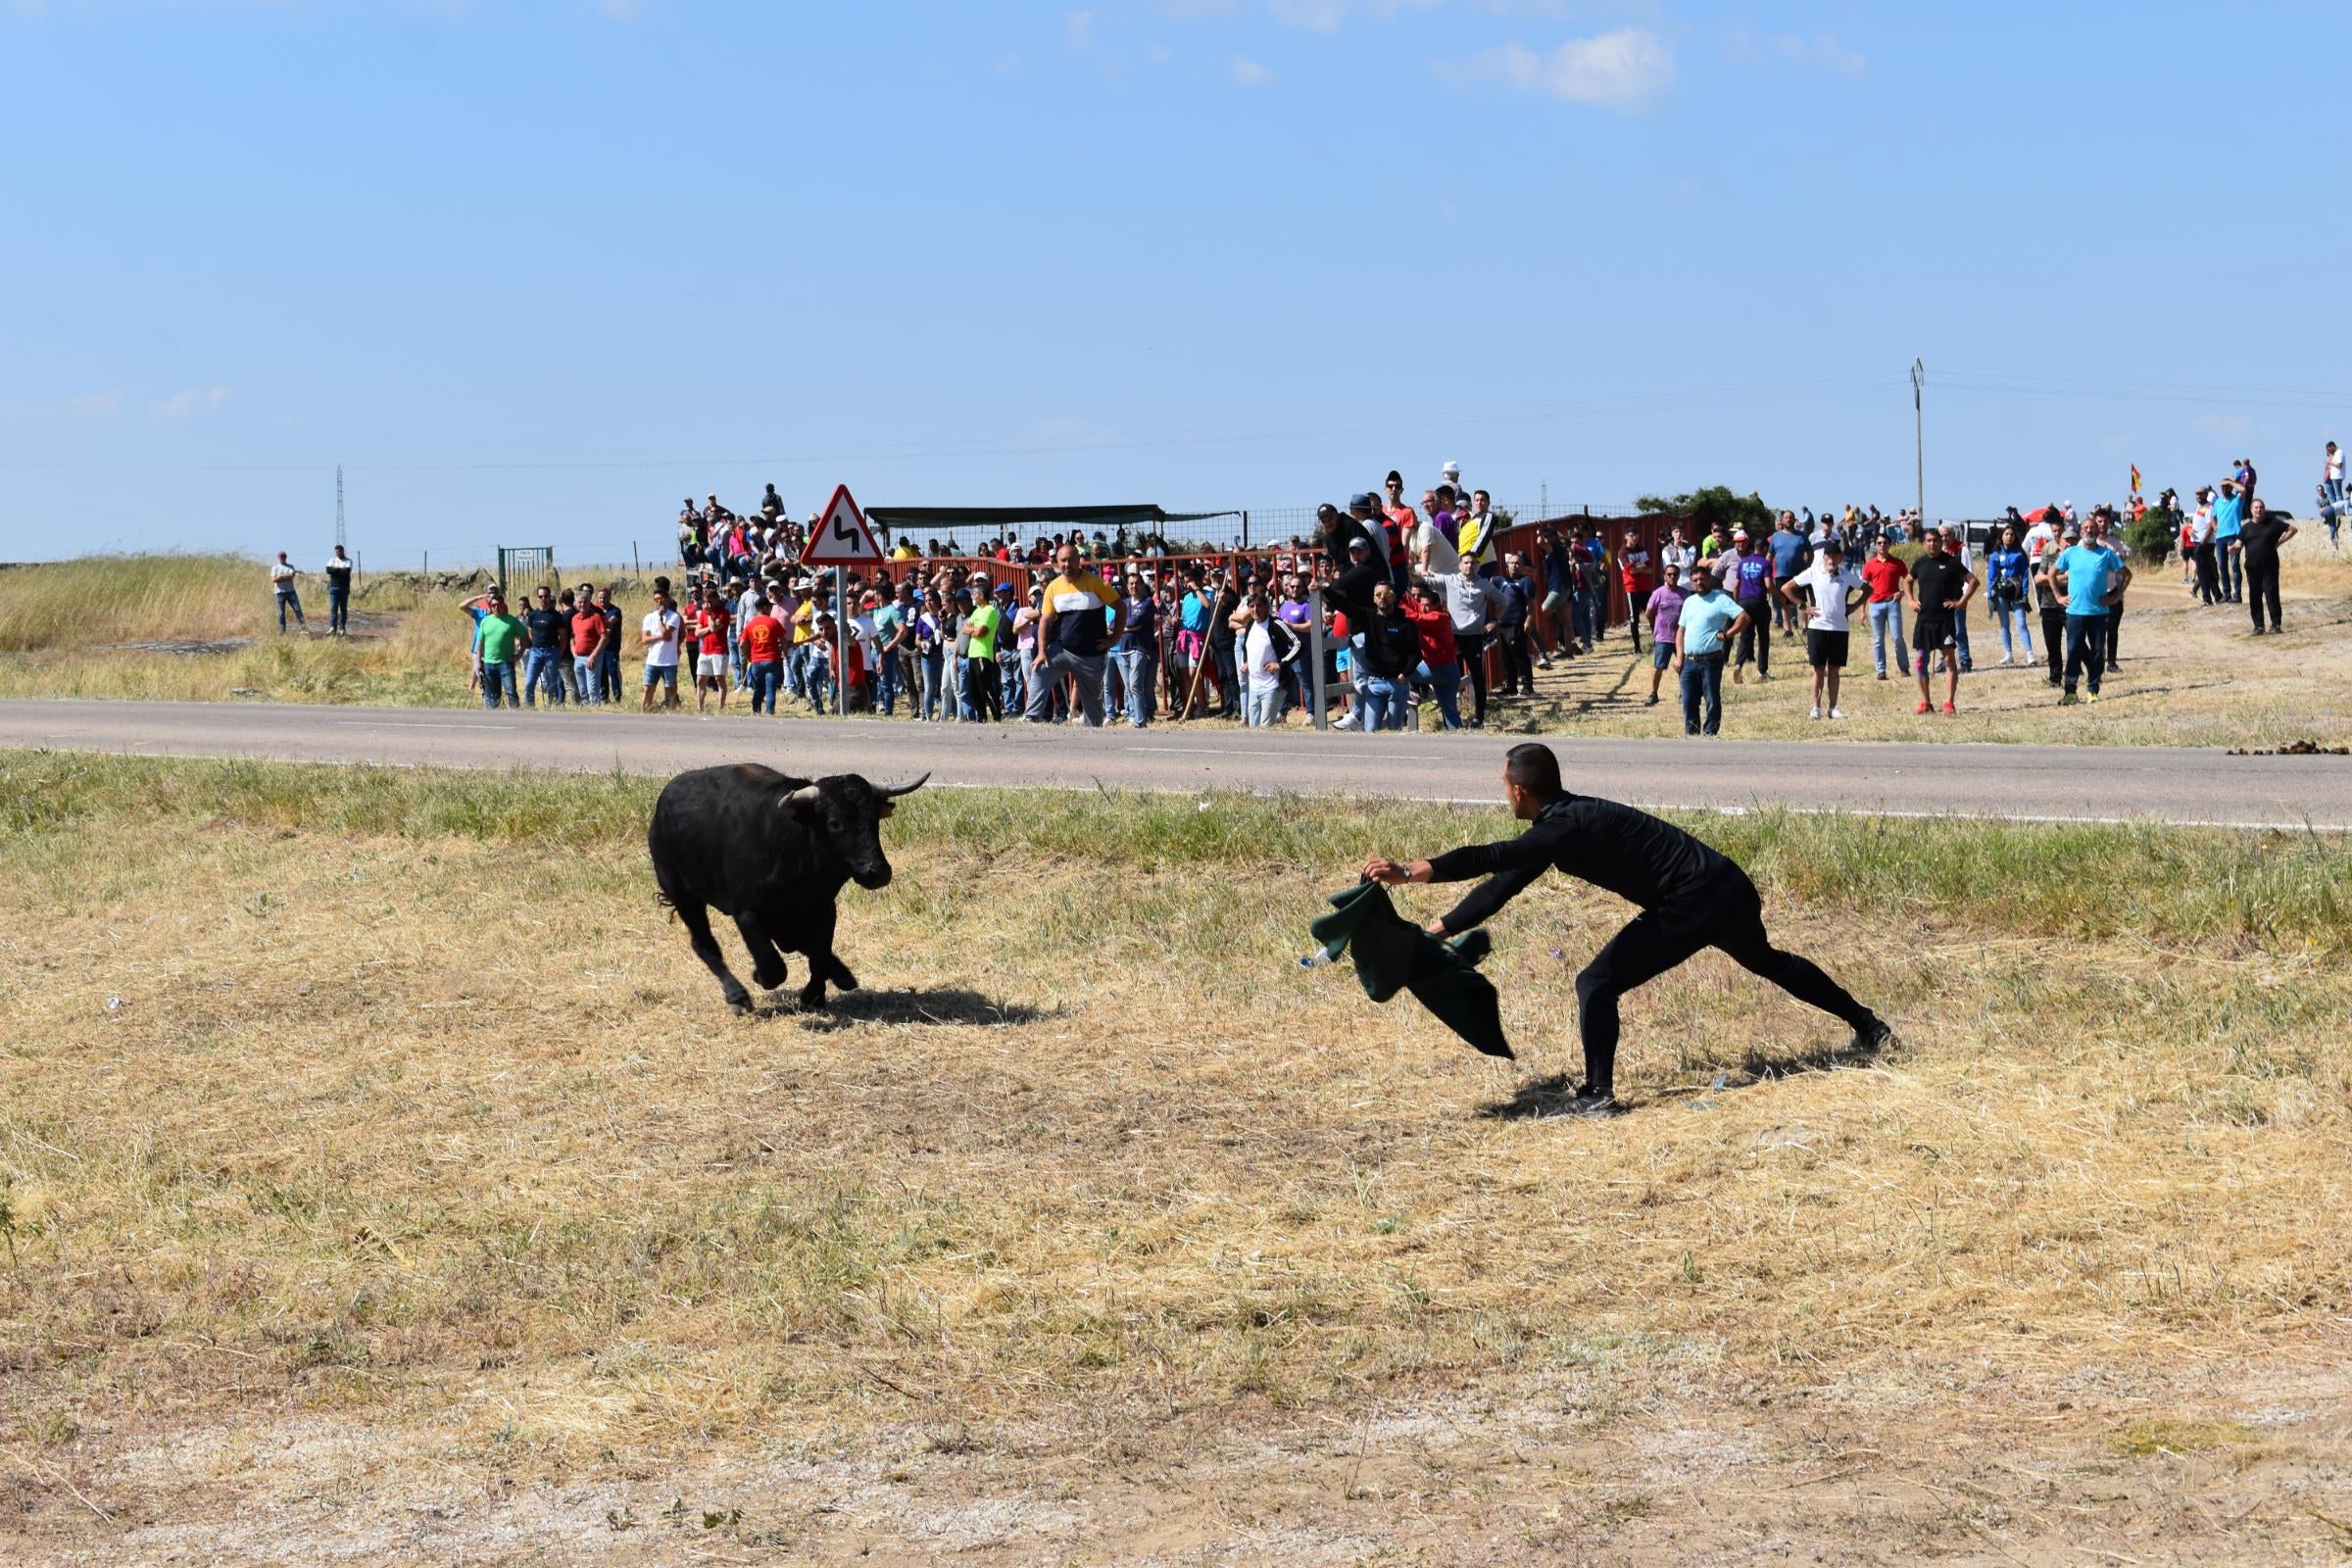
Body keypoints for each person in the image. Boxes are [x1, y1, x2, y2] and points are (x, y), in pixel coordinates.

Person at [1361, 743, 1892, 1118]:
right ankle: (1868, 1024)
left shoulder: (1564, 825)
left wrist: (1410, 872)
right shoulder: (1562, 824)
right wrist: (1434, 932)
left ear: (1519, 791)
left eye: (1504, 786)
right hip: (1726, 884)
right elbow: (1501, 885)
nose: (1505, 794)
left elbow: (1493, 856)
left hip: (1693, 899)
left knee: (1596, 983)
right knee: (1769, 963)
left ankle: (1598, 1094)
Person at [1031, 543, 1124, 726]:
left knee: (1093, 706)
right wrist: (1042, 651)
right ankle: (1030, 717)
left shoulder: (1096, 582)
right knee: (1039, 670)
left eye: (1071, 560)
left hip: (1091, 654)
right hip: (1062, 650)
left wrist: (1114, 639)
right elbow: (1045, 621)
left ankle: (1093, 732)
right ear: (1057, 563)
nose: (1067, 564)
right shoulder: (1053, 587)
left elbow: (1121, 608)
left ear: (1078, 561)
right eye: (1063, 561)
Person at [1780, 537, 1864, 720]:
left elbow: (1868, 589)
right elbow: (1786, 588)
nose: (1831, 559)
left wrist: (1855, 606)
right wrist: (1802, 605)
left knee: (1834, 669)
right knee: (1818, 669)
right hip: (1818, 627)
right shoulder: (1813, 572)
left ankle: (1833, 707)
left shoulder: (1846, 575)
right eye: (1828, 556)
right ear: (1823, 557)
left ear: (1840, 558)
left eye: (1835, 555)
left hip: (1840, 628)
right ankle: (1815, 707)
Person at [2050, 520, 2123, 703]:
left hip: (2099, 613)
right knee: (2074, 651)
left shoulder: (2106, 554)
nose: (2089, 530)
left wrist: (2115, 596)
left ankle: (2093, 690)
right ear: (2081, 531)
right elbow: (2052, 573)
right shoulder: (2071, 553)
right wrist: (2058, 597)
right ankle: (2070, 692)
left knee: (2098, 652)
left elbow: (2126, 574)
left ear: (2098, 530)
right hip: (2075, 612)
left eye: (2092, 528)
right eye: (2086, 528)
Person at [1904, 526, 1975, 714]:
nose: (1932, 543)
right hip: (1924, 620)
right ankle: (1925, 702)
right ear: (1924, 543)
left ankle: (1949, 703)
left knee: (1949, 660)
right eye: (1928, 540)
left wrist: (1961, 602)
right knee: (1920, 661)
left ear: (1940, 542)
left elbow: (1973, 581)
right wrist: (1910, 600)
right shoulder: (1920, 563)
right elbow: (1907, 581)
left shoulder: (1951, 562)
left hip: (1945, 621)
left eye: (1935, 540)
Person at [1673, 564, 1745, 737]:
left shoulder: (1720, 599)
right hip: (1689, 661)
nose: (1699, 583)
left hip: (1710, 660)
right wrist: (1679, 657)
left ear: (1710, 580)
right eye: (1695, 580)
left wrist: (1727, 634)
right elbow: (1680, 631)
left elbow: (1744, 617)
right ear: (1691, 583)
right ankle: (1692, 733)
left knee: (1712, 699)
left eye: (1702, 579)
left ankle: (1710, 733)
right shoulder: (1689, 602)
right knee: (1688, 700)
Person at [1401, 578, 1464, 730]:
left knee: (1398, 671)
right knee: (1450, 714)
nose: (1423, 608)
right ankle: (1460, 740)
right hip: (1449, 671)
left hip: (1438, 670)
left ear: (1438, 605)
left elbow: (1416, 616)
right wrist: (1400, 594)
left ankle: (1409, 695)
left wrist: (1398, 606)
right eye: (1422, 605)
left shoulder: (1438, 617)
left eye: (1427, 606)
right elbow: (1415, 606)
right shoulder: (1433, 613)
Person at [1719, 529, 1773, 684]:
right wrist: (1779, 596)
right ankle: (1762, 671)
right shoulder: (1765, 563)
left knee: (1746, 636)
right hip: (1759, 601)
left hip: (1744, 602)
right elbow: (1768, 584)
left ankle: (1738, 665)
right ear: (1764, 549)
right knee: (1763, 637)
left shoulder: (1743, 563)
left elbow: (1736, 586)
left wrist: (1737, 604)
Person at [2238, 499, 2297, 635]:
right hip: (2252, 567)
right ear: (2251, 510)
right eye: (2256, 507)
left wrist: (2280, 542)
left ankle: (2276, 625)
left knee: (2271, 595)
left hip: (2269, 566)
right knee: (2255, 596)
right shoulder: (2246, 528)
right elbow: (2238, 544)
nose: (2259, 510)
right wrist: (2232, 548)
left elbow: (2292, 529)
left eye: (2261, 507)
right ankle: (2258, 626)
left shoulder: (2273, 522)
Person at [1859, 533, 1910, 680]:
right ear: (1875, 545)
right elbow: (1865, 588)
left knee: (1897, 637)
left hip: (1892, 604)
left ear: (1889, 544)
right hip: (1875, 605)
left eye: (1885, 542)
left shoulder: (1898, 563)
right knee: (1878, 639)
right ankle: (1881, 671)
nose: (1882, 545)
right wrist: (1862, 610)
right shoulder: (1869, 565)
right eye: (1879, 543)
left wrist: (1901, 593)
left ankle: (1904, 668)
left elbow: (1909, 581)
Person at [1983, 522, 2033, 665]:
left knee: (2021, 623)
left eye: (2012, 534)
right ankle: (2008, 654)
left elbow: (2025, 575)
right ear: (2002, 536)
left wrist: (2025, 594)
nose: (2009, 537)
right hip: (2001, 591)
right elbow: (1991, 576)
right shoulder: (1995, 555)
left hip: (2016, 591)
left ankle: (2030, 654)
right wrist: (1990, 594)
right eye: (2006, 534)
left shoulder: (2019, 554)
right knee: (2004, 624)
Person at [1114, 569, 1158, 729]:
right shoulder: (1124, 603)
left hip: (1139, 649)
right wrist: (1126, 627)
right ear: (1127, 587)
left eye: (1137, 583)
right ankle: (1134, 715)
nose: (1134, 586)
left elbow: (1135, 621)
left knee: (1135, 685)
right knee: (1128, 685)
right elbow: (1114, 623)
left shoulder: (1147, 602)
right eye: (1131, 583)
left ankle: (1140, 720)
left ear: (1142, 585)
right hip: (1123, 649)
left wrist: (1123, 627)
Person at [1642, 561, 1687, 708]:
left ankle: (1684, 694)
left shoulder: (1685, 593)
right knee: (1659, 666)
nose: (1672, 577)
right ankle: (1653, 694)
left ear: (1679, 576)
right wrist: (1656, 626)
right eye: (1669, 574)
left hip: (1681, 636)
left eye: (1675, 574)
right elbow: (1648, 613)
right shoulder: (1658, 593)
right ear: (1664, 576)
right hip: (1663, 636)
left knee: (1684, 666)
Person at [1492, 552, 1536, 698]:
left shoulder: (1526, 581)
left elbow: (1530, 602)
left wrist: (1529, 619)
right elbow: (1486, 581)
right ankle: (1511, 686)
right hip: (1502, 623)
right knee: (1506, 656)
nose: (1514, 566)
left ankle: (1527, 686)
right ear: (1507, 566)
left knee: (1519, 654)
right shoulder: (1501, 580)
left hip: (1516, 622)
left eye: (1518, 563)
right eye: (1511, 563)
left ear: (1523, 567)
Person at [470, 589, 524, 710]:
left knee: (511, 691)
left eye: (498, 605)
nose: (496, 607)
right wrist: (478, 661)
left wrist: (519, 655)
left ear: (503, 605)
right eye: (493, 605)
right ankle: (493, 716)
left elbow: (525, 637)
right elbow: (480, 642)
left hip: (505, 662)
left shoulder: (512, 621)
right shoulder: (485, 621)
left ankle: (516, 714)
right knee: (492, 694)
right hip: (489, 663)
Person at [962, 581, 1004, 722]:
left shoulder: (990, 611)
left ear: (981, 595)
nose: (973, 596)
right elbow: (964, 628)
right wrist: (972, 630)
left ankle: (997, 715)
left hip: (983, 653)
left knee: (984, 687)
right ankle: (981, 717)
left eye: (975, 593)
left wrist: (972, 630)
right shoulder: (976, 611)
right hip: (972, 653)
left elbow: (981, 632)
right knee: (974, 688)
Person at [1765, 512, 1811, 638]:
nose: (1788, 520)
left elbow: (1810, 553)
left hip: (1799, 574)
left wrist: (1807, 567)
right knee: (1784, 602)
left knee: (1801, 600)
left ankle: (1805, 627)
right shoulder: (1775, 536)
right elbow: (1770, 555)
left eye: (1790, 517)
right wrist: (1766, 569)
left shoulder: (1802, 536)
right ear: (1783, 520)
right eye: (1786, 518)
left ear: (1794, 520)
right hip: (1781, 574)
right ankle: (1787, 629)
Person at [1241, 594, 1283, 728]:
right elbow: (1247, 647)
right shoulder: (1250, 625)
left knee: (1266, 730)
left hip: (1271, 686)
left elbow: (1298, 646)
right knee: (1253, 730)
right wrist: (1246, 662)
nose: (1255, 609)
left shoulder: (1276, 624)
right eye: (1252, 606)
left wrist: (1280, 665)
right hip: (1253, 687)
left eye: (1259, 605)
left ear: (1267, 607)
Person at [639, 585, 684, 711]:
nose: (659, 602)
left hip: (669, 661)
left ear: (667, 599)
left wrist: (660, 618)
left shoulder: (674, 616)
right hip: (652, 660)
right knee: (648, 688)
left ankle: (672, 713)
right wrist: (661, 636)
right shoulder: (648, 617)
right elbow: (645, 640)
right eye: (656, 599)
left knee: (671, 689)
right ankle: (644, 712)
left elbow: (666, 634)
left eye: (661, 599)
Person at [741, 595, 784, 713]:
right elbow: (784, 640)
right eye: (770, 607)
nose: (771, 610)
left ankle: (756, 712)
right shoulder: (773, 622)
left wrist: (749, 657)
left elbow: (742, 644)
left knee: (758, 689)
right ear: (765, 608)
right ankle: (769, 712)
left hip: (756, 661)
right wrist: (785, 653)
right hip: (771, 660)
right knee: (770, 690)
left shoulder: (750, 623)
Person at [691, 585, 731, 713]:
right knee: (700, 679)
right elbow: (697, 632)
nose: (707, 604)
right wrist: (708, 627)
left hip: (719, 650)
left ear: (717, 599)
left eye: (710, 601)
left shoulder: (724, 613)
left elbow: (714, 628)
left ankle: (720, 707)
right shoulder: (703, 614)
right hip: (705, 650)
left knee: (720, 679)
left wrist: (709, 617)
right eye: (705, 601)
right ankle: (699, 707)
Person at [569, 582, 607, 703]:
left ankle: (595, 712)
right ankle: (586, 713)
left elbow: (604, 638)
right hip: (578, 657)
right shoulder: (574, 618)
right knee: (582, 690)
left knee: (592, 689)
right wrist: (573, 650)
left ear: (589, 602)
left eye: (585, 601)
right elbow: (573, 637)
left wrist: (594, 655)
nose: (582, 604)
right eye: (580, 602)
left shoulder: (596, 617)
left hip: (592, 657)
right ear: (576, 603)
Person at [2212, 477, 2246, 604]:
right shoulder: (2217, 502)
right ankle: (2226, 594)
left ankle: (2237, 594)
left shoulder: (2237, 500)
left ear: (2231, 487)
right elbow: (2213, 516)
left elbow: (2243, 490)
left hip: (2234, 535)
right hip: (2220, 537)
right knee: (2222, 566)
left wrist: (2231, 482)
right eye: (2222, 486)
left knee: (2235, 565)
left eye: (2226, 486)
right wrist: (2215, 526)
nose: (2224, 488)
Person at [270, 552, 306, 633]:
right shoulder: (275, 568)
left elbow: (291, 576)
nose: (282, 558)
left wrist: (281, 577)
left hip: (290, 592)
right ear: (278, 557)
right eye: (281, 557)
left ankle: (303, 627)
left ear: (286, 557)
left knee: (297, 609)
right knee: (281, 612)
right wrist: (284, 577)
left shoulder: (290, 566)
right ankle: (282, 629)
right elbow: (274, 580)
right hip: (279, 593)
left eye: (284, 556)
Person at [322, 545, 354, 636]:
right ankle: (333, 627)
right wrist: (340, 570)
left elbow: (347, 571)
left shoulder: (348, 561)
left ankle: (342, 628)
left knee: (343, 609)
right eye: (336, 551)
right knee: (333, 608)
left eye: (339, 551)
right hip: (334, 587)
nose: (338, 553)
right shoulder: (332, 560)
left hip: (344, 587)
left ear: (343, 551)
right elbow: (328, 570)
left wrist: (335, 571)